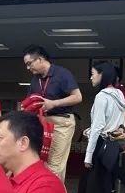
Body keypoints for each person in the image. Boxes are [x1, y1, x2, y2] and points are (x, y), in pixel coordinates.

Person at [78, 62, 125, 193]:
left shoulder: (102, 97)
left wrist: (88, 156)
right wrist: (92, 130)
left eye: (93, 73)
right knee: (105, 188)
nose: (91, 77)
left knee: (95, 190)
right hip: (112, 145)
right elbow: (116, 125)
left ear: (102, 75)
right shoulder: (119, 96)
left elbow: (98, 128)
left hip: (101, 146)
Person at [23, 45, 82, 182]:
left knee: (54, 165)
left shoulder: (62, 74)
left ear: (40, 59)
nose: (28, 68)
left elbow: (78, 97)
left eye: (29, 63)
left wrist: (54, 103)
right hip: (42, 123)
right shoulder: (35, 79)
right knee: (44, 163)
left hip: (61, 123)